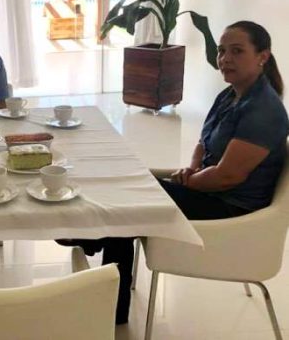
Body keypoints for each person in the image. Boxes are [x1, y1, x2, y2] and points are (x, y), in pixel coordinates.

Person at [58, 20, 289, 324]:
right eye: (221, 51)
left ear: (263, 56)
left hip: (230, 209)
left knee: (127, 205)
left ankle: (105, 283)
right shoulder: (231, 95)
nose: (225, 59)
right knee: (130, 191)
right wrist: (191, 169)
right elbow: (204, 142)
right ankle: (107, 288)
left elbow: (227, 177)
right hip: (210, 191)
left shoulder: (264, 110)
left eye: (237, 51)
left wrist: (190, 182)